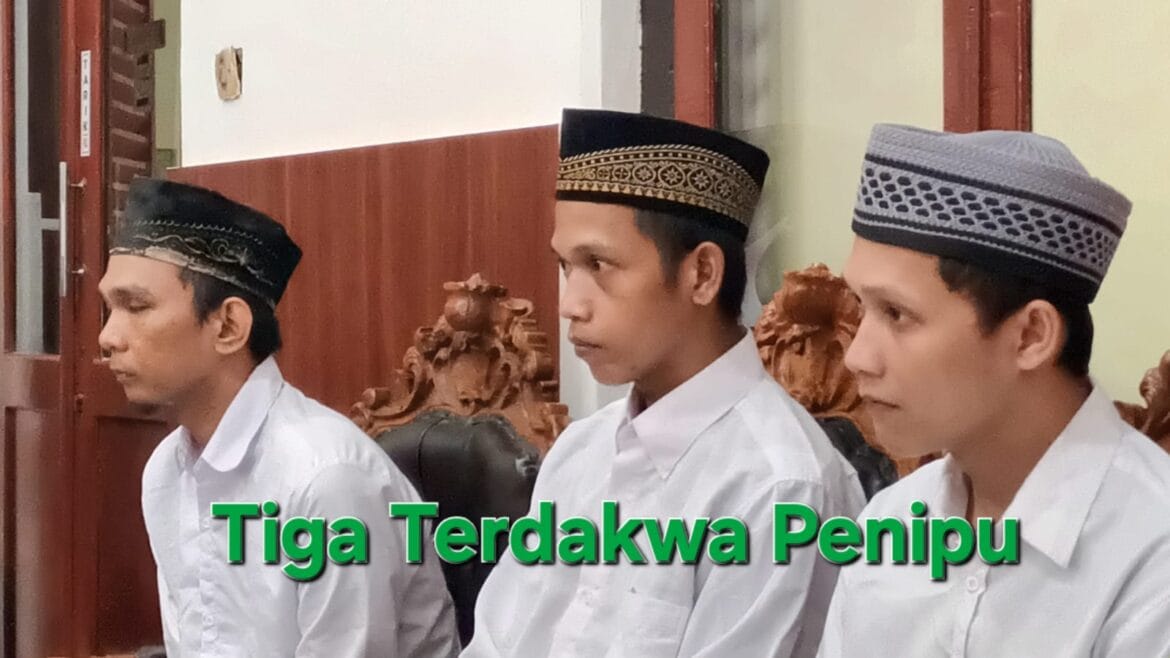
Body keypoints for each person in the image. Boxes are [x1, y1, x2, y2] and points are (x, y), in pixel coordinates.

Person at [462, 109, 865, 657]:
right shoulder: (580, 452)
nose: (570, 305)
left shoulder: (777, 487)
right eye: (565, 267)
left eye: (598, 265)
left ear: (702, 274)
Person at [818, 124, 1170, 656]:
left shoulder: (1150, 554)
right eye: (860, 308)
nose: (855, 357)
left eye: (897, 314)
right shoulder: (890, 524)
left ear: (1030, 336)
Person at [98, 178, 460, 656]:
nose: (108, 337)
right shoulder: (167, 471)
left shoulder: (327, 479)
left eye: (136, 306)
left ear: (229, 326)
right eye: (109, 309)